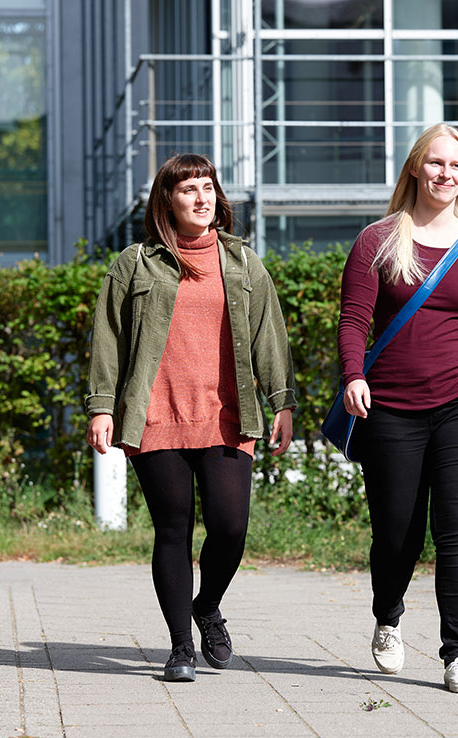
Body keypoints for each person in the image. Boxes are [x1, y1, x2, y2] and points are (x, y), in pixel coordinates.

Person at [85, 153, 296, 682]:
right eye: (188, 190)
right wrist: (102, 407)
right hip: (156, 413)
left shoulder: (244, 263)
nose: (201, 198)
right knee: (172, 529)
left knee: (230, 526)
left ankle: (207, 606)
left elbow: (270, 335)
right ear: (167, 201)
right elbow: (108, 338)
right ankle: (180, 646)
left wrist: (283, 401)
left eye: (207, 187)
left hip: (227, 414)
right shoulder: (135, 264)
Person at [337, 123, 458, 693]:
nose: (444, 174)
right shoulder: (378, 240)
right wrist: (353, 376)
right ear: (416, 167)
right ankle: (388, 618)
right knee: (397, 533)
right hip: (390, 407)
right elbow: (353, 320)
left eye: (456, 167)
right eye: (435, 163)